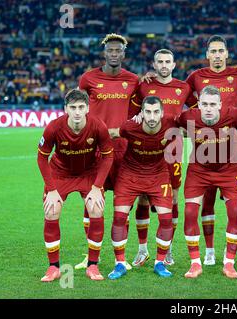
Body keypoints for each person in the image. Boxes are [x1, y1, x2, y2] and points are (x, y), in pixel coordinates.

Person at [76, 33, 139, 270]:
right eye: (110, 50)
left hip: (124, 151)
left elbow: (143, 107)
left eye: (118, 51)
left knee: (123, 205)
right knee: (91, 203)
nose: (114, 54)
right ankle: (92, 255)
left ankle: (120, 258)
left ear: (124, 53)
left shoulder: (133, 80)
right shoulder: (88, 78)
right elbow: (77, 108)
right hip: (95, 151)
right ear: (105, 52)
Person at [37, 89, 113, 282]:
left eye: (81, 107)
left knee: (96, 209)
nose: (77, 112)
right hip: (60, 173)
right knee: (51, 211)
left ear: (87, 108)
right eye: (73, 108)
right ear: (66, 109)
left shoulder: (98, 126)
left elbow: (108, 156)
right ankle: (53, 267)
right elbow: (41, 158)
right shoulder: (54, 127)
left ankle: (93, 266)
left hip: (89, 172)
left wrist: (97, 187)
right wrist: (52, 189)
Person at [128, 49, 192, 267]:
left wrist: (186, 126)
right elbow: (133, 111)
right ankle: (143, 250)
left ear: (174, 65)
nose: (164, 65)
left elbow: (196, 110)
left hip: (173, 150)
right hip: (146, 150)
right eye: (160, 62)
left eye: (168, 62)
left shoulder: (184, 87)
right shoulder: (143, 84)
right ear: (154, 65)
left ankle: (168, 249)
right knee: (143, 197)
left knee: (173, 199)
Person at [177, 85, 237, 279]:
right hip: (198, 171)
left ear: (220, 105)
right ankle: (195, 263)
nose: (208, 108)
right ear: (198, 104)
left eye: (212, 104)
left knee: (234, 212)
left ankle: (229, 263)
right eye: (204, 104)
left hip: (228, 170)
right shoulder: (187, 117)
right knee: (190, 212)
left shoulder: (233, 115)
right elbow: (167, 121)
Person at [106, 96, 179, 279]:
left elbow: (191, 127)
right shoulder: (130, 127)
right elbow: (112, 133)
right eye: (148, 112)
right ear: (142, 113)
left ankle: (159, 263)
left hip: (158, 175)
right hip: (129, 175)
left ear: (162, 113)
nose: (152, 117)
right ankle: (120, 263)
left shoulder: (170, 123)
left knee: (166, 218)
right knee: (120, 217)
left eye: (156, 112)